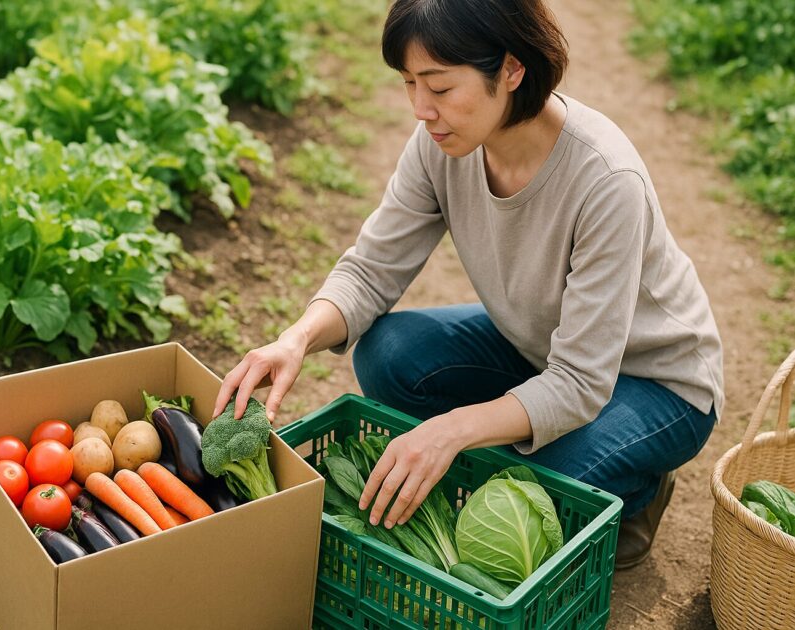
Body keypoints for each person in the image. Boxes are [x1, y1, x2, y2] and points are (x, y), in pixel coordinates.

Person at [212, 0, 723, 569]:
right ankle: (531, 431)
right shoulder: (442, 145)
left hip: (656, 381)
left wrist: (452, 430)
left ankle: (639, 487)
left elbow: (581, 381)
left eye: (439, 86)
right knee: (389, 352)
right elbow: (371, 269)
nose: (421, 109)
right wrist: (296, 339)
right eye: (409, 83)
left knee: (530, 487)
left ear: (511, 68)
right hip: (541, 349)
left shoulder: (606, 180)